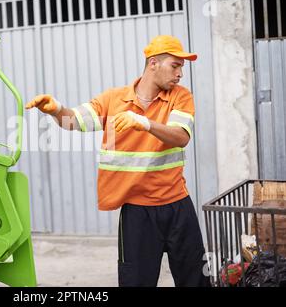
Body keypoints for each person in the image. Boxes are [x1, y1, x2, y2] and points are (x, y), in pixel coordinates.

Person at [26, 35, 210, 287]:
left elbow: (180, 137)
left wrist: (144, 123)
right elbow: (74, 121)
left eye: (181, 68)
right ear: (153, 63)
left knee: (196, 280)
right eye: (175, 66)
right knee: (136, 282)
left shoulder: (180, 96)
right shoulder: (113, 100)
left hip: (177, 205)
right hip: (137, 212)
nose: (180, 74)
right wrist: (56, 109)